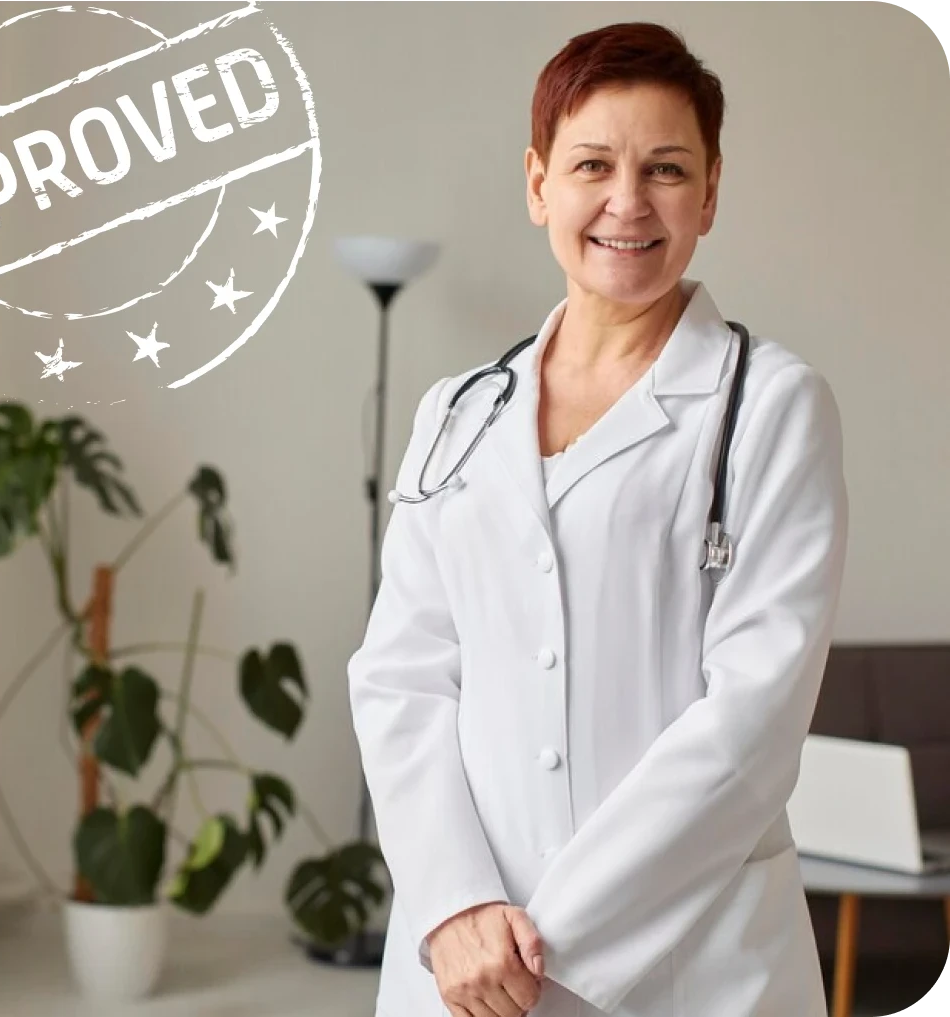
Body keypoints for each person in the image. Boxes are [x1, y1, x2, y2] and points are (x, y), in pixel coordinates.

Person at [347, 21, 848, 1017]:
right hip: (459, 959)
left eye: (666, 169)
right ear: (538, 184)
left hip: (688, 965)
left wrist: (539, 941)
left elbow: (750, 724)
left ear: (709, 192)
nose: (627, 201)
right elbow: (402, 676)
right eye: (591, 165)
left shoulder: (772, 405)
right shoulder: (456, 411)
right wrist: (455, 911)